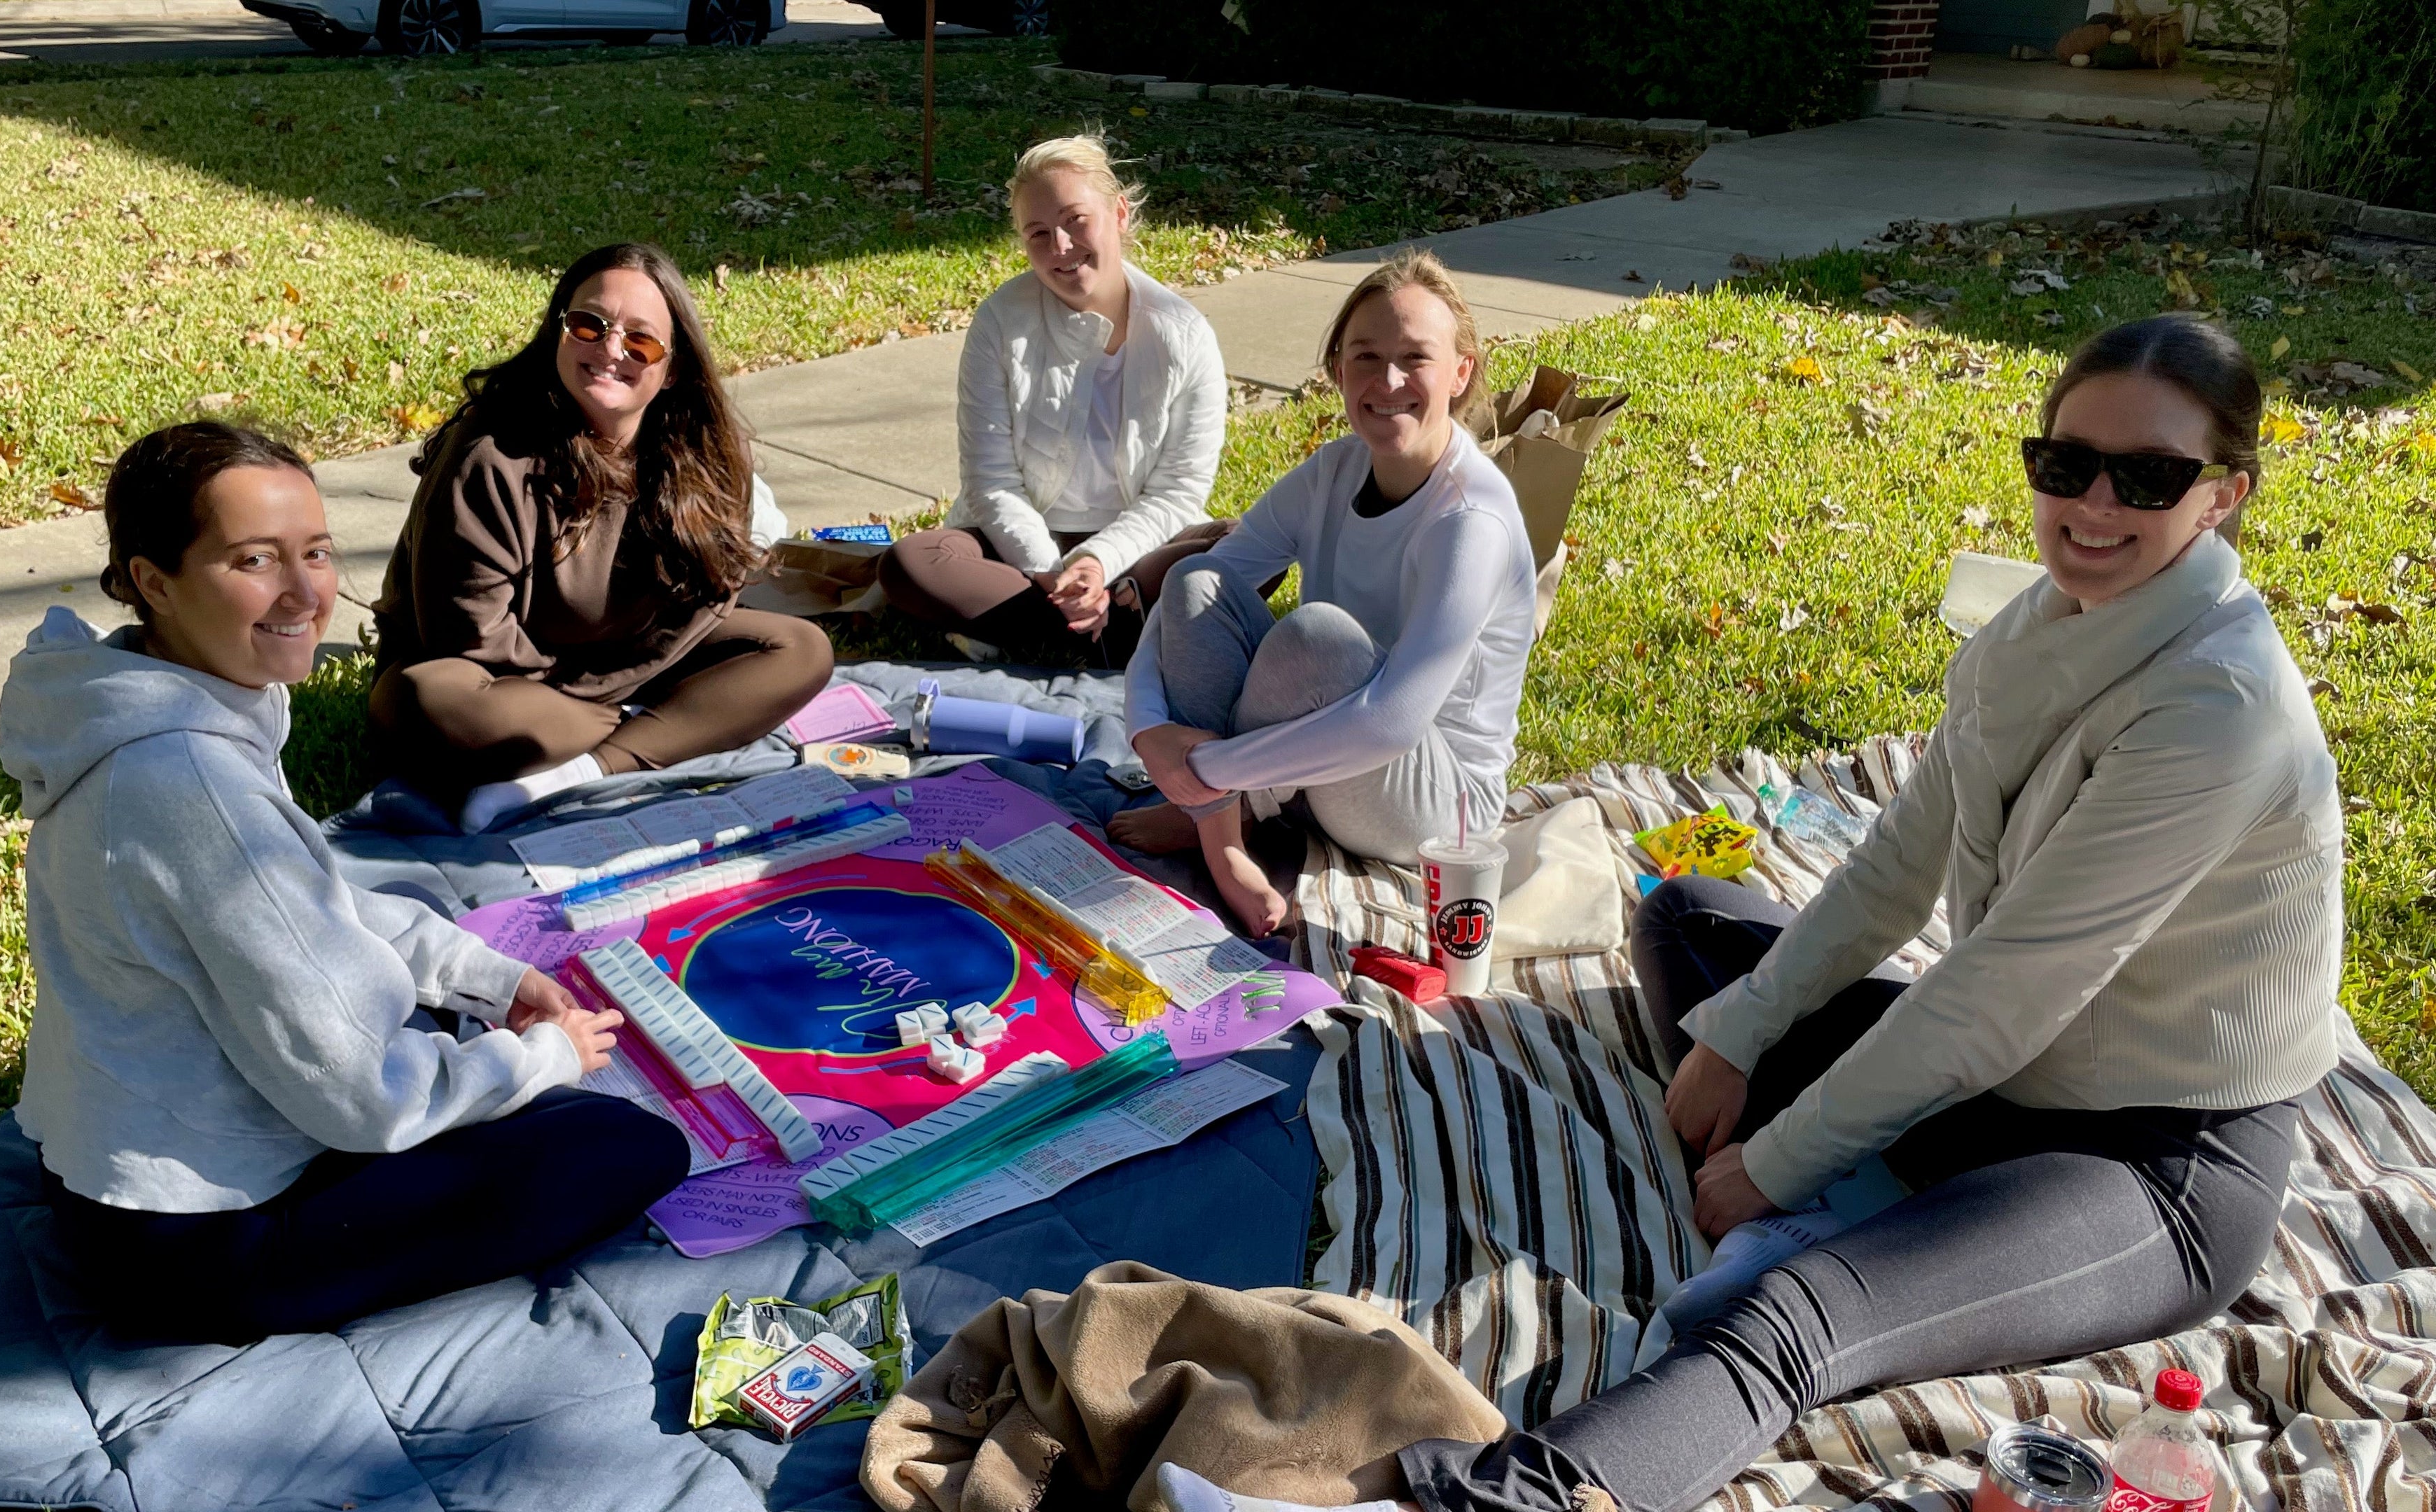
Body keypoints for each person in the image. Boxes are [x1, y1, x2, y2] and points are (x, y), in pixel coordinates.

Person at [1161, 314, 2343, 1512]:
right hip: (2004, 1079)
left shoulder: (2218, 708)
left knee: (1792, 1318)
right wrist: (1736, 1034)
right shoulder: (2039, 629)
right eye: (2065, 463)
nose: (2093, 503)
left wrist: (1779, 1160)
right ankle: (1889, 1194)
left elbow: (2001, 997)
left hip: (2149, 1157)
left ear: (2222, 497)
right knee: (1689, 926)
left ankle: (1472, 1500)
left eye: (2147, 476)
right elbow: (1898, 866)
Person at [0, 422, 690, 1345]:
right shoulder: (188, 785)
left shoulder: (143, 696)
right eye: (254, 560)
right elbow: (371, 1095)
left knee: (449, 1024)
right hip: (194, 1244)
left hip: (108, 1166)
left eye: (316, 553)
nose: (303, 593)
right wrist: (547, 1058)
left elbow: (307, 895)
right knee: (628, 1146)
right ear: (154, 581)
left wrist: (480, 975)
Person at [1111, 251, 1538, 937]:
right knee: (1196, 580)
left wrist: (1202, 768)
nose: (1388, 381)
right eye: (1366, 357)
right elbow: (1192, 597)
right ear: (1338, 369)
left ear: (1461, 372)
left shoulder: (1472, 521)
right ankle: (1223, 843)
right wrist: (1147, 732)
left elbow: (1392, 720)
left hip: (1428, 803)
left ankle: (1221, 808)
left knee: (1318, 638)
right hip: (1310, 773)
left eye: (1416, 359)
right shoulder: (1334, 471)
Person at [370, 241, 832, 833]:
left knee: (800, 650)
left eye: (641, 341)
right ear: (558, 332)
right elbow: (467, 638)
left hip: (630, 668)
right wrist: (612, 698)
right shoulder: (491, 455)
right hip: (500, 682)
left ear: (673, 368)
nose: (611, 350)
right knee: (432, 701)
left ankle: (582, 772)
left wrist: (615, 686)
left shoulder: (709, 454)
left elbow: (710, 600)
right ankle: (662, 728)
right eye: (589, 325)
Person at [878, 135, 1232, 666]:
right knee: (912, 562)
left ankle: (1050, 627)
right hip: (1019, 551)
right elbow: (990, 481)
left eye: (1076, 221)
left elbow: (1179, 491)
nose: (1061, 247)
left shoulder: (1185, 335)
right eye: (1038, 233)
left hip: (1137, 549)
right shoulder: (1001, 321)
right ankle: (1115, 624)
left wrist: (1097, 562)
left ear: (1118, 213)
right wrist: (1051, 571)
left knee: (1243, 544)